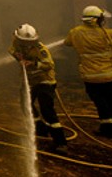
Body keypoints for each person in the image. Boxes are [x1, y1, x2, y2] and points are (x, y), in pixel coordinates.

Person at [64, 5, 112, 137]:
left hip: (91, 77)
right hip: (110, 75)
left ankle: (107, 127)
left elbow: (67, 43)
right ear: (97, 20)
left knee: (100, 102)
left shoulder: (75, 32)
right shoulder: (108, 34)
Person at [9, 23, 68, 154]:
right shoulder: (16, 44)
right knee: (25, 104)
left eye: (30, 42)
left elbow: (49, 64)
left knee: (47, 110)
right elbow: (11, 50)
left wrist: (34, 63)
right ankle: (41, 128)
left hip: (45, 81)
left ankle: (60, 142)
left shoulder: (41, 49)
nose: (27, 45)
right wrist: (18, 57)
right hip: (30, 81)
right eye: (24, 42)